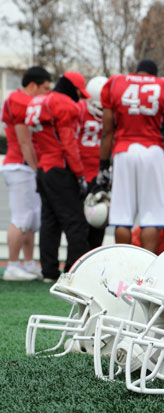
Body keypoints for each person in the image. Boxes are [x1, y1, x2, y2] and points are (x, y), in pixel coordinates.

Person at [98, 58, 164, 253]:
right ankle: (146, 270)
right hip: (152, 152)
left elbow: (107, 132)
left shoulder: (115, 83)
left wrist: (103, 165)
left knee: (122, 218)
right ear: (154, 74)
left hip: (123, 151)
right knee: (151, 218)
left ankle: (123, 265)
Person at [25, 71, 91, 282]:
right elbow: (68, 143)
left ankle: (49, 272)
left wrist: (38, 166)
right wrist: (80, 175)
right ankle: (74, 273)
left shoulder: (38, 101)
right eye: (79, 94)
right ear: (73, 87)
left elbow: (34, 141)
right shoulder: (64, 104)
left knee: (50, 222)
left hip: (44, 168)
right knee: (76, 223)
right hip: (60, 168)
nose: (80, 99)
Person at [1, 66, 52, 281]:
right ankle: (12, 264)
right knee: (21, 217)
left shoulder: (24, 100)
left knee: (32, 219)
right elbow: (23, 140)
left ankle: (29, 262)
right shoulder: (19, 101)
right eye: (45, 88)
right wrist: (35, 167)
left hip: (25, 166)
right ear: (33, 85)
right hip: (20, 165)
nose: (47, 93)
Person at [77, 75, 108, 249]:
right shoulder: (79, 109)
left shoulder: (113, 113)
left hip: (100, 175)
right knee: (80, 223)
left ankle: (94, 256)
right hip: (81, 174)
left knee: (100, 220)